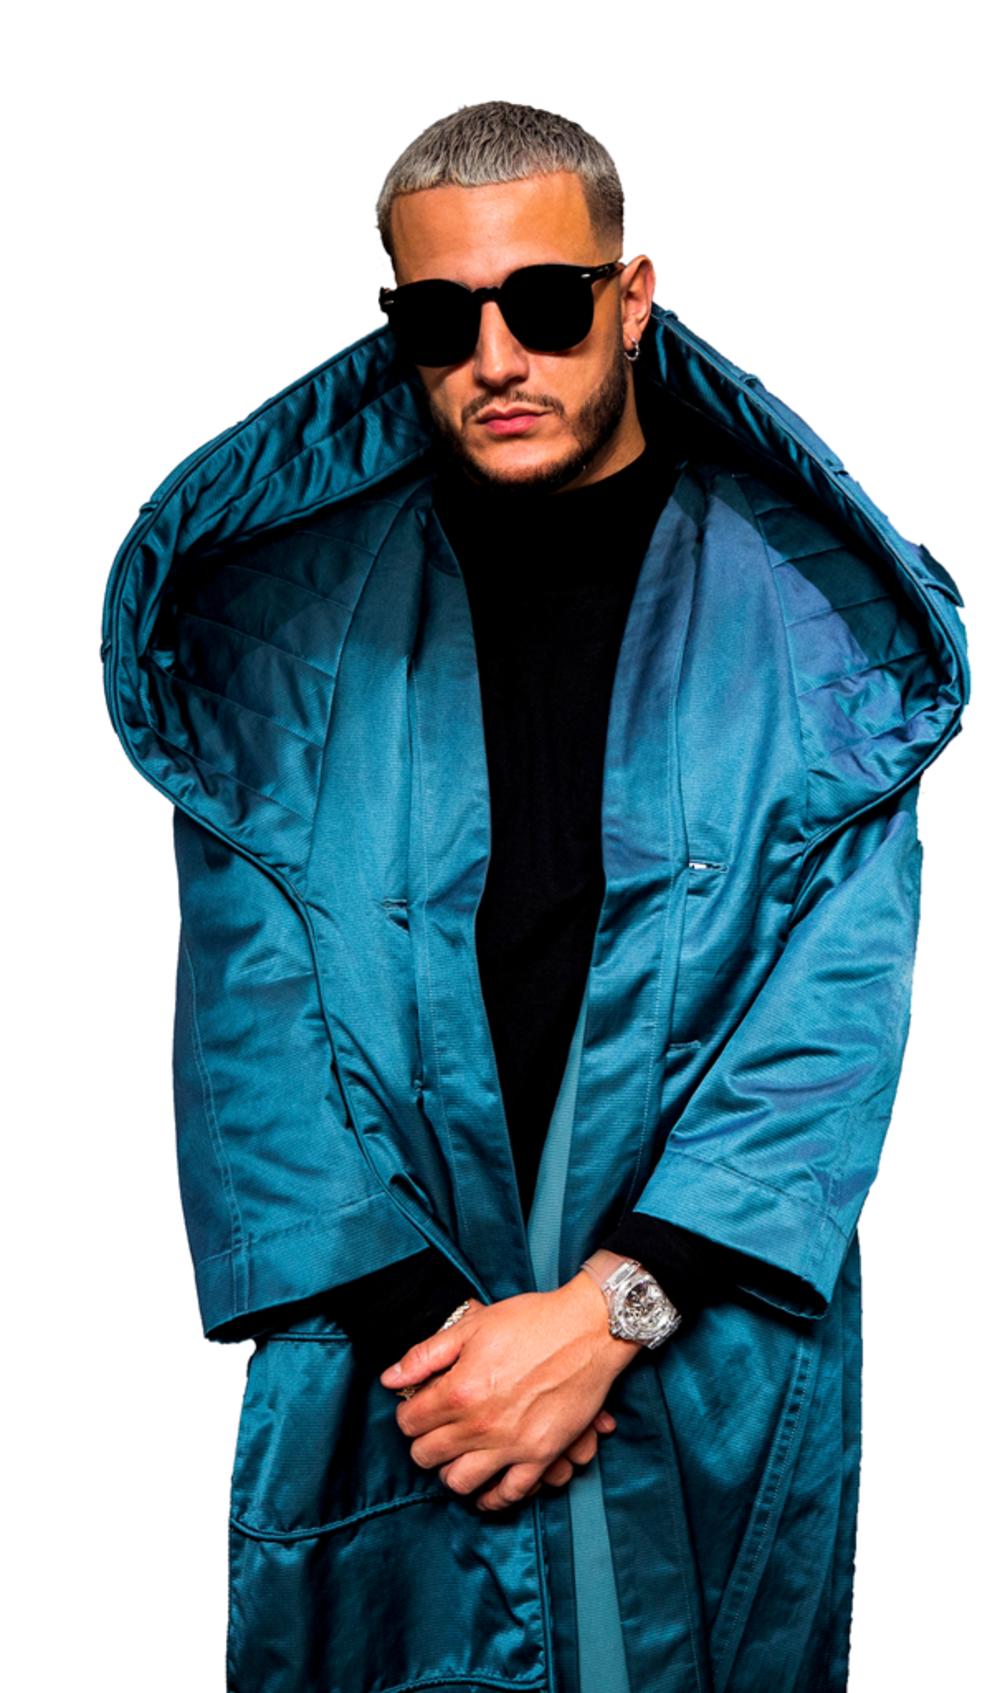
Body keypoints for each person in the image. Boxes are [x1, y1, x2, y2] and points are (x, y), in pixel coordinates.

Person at [101, 100, 970, 1693]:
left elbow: (828, 1016)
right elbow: (251, 1031)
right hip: (399, 1385)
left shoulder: (813, 625)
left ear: (631, 298)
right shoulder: (281, 636)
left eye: (546, 303)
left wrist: (604, 1317)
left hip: (698, 1355)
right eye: (443, 319)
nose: (497, 357)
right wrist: (469, 1362)